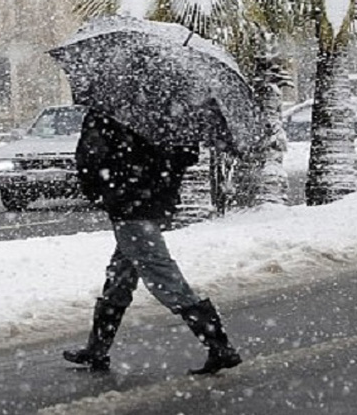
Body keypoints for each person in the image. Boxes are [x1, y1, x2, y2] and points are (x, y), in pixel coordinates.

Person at [63, 108, 242, 375]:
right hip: (154, 203)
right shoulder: (170, 108)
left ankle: (219, 346)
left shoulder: (109, 111)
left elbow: (90, 159)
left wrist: (103, 190)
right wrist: (158, 178)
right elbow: (186, 154)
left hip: (130, 208)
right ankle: (97, 350)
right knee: (120, 276)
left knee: (163, 276)